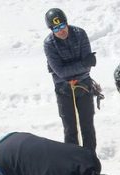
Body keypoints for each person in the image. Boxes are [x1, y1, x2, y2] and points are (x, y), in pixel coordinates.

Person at [43, 8, 101, 151]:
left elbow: (88, 67)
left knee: (87, 126)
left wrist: (76, 69)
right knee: (70, 129)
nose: (61, 30)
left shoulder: (80, 34)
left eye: (62, 26)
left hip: (84, 85)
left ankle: (90, 160)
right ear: (51, 29)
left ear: (67, 23)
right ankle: (72, 165)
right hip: (63, 90)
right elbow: (61, 72)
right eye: (56, 28)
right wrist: (82, 65)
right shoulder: (49, 44)